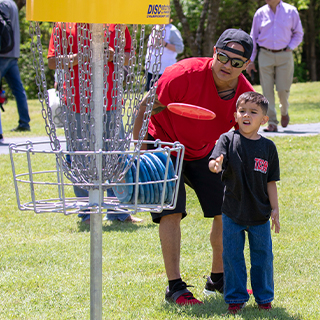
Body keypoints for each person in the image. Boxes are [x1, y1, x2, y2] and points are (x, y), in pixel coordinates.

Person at [133, 28, 254, 305]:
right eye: (223, 56)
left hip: (204, 150)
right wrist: (139, 154)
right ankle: (175, 287)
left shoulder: (245, 98)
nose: (227, 65)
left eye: (236, 62)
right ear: (215, 52)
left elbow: (242, 138)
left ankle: (218, 278)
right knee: (171, 212)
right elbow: (143, 108)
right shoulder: (181, 75)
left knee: (226, 210)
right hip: (164, 144)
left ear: (246, 66)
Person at [48, 23, 142, 224]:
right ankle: (88, 213)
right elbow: (52, 61)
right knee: (81, 157)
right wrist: (77, 59)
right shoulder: (64, 24)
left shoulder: (115, 23)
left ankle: (119, 212)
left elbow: (129, 56)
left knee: (116, 156)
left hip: (110, 101)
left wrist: (112, 56)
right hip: (76, 103)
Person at [209, 91, 280, 314]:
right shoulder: (227, 139)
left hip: (260, 214)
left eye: (253, 112)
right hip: (232, 211)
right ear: (236, 115)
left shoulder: (268, 148)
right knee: (232, 257)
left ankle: (264, 298)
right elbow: (215, 160)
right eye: (242, 111)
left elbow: (271, 182)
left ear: (264, 120)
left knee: (263, 258)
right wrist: (216, 164)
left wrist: (275, 209)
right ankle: (236, 298)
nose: (246, 115)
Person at [246, 0, 303, 132]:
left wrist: (290, 47)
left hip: (285, 54)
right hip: (265, 54)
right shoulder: (260, 13)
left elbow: (298, 33)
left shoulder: (291, 11)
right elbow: (253, 38)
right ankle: (272, 122)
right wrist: (251, 61)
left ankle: (284, 111)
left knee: (283, 90)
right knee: (267, 90)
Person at [0, 0, 30, 132]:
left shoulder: (1, 4)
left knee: (18, 90)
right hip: (14, 52)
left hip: (3, 53)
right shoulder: (11, 4)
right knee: (19, 91)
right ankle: (24, 122)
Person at [145, 22, 184, 91]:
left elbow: (180, 49)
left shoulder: (172, 30)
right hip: (151, 69)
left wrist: (163, 43)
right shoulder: (156, 27)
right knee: (150, 96)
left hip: (165, 70)